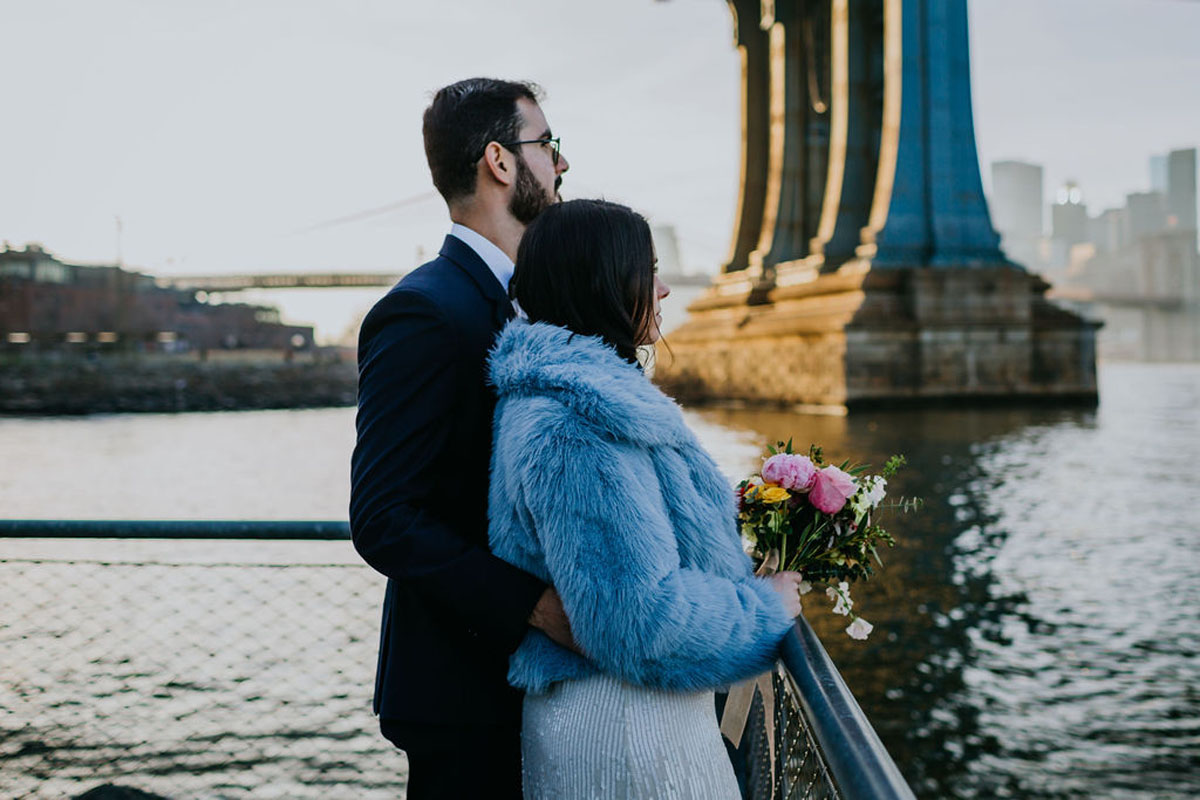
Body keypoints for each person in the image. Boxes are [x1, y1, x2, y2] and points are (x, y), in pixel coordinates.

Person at [488, 198, 806, 798]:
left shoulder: (563, 403)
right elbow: (639, 623)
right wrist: (764, 608)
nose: (662, 289)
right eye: (647, 269)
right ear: (602, 283)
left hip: (617, 711)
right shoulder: (578, 425)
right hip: (628, 726)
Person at [349, 78, 573, 799]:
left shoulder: (531, 299)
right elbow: (383, 518)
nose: (563, 164)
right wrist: (536, 606)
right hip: (461, 696)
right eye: (550, 145)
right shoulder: (422, 310)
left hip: (526, 687)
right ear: (500, 162)